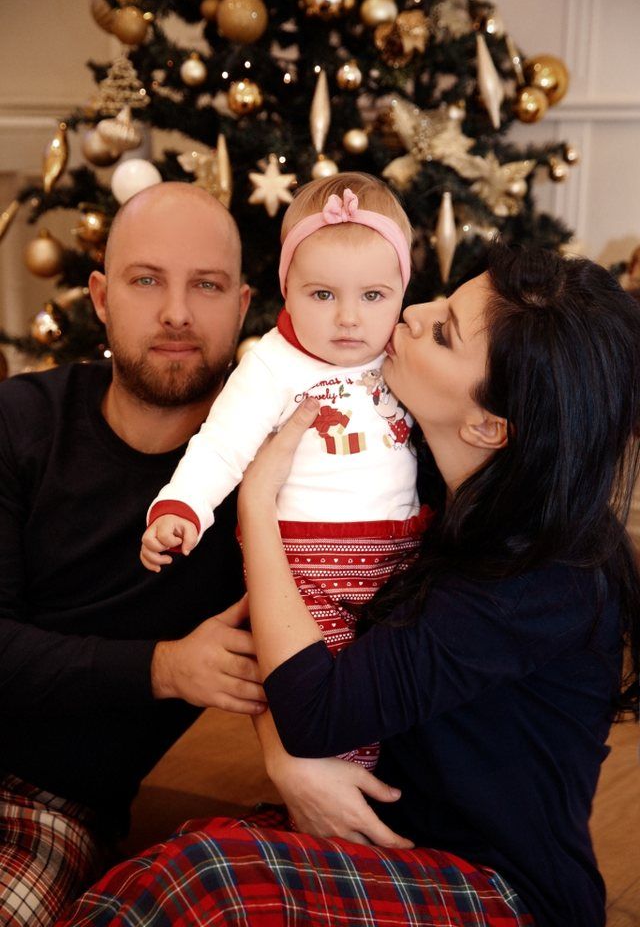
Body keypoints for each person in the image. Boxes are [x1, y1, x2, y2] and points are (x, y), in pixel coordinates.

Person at [59, 243, 640, 927]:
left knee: (208, 881)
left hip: (500, 890)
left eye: (445, 332)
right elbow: (296, 627)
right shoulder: (420, 488)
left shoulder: (544, 579)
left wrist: (258, 502)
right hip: (392, 841)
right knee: (171, 872)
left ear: (488, 424)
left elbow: (313, 709)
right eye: (441, 298)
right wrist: (290, 766)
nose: (412, 311)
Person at [0, 182, 267, 926]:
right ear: (101, 297)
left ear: (242, 306)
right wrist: (164, 668)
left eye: (206, 285)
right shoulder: (19, 421)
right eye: (146, 280)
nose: (176, 312)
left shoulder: (269, 482)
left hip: (48, 810)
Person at [140, 173, 430, 771]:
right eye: (322, 294)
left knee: (395, 691)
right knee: (325, 703)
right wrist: (182, 505)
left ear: (402, 291)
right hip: (304, 565)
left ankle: (388, 804)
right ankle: (325, 804)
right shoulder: (273, 365)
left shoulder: (400, 353)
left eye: (373, 296)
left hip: (402, 555)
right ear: (286, 289)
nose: (349, 319)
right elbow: (222, 444)